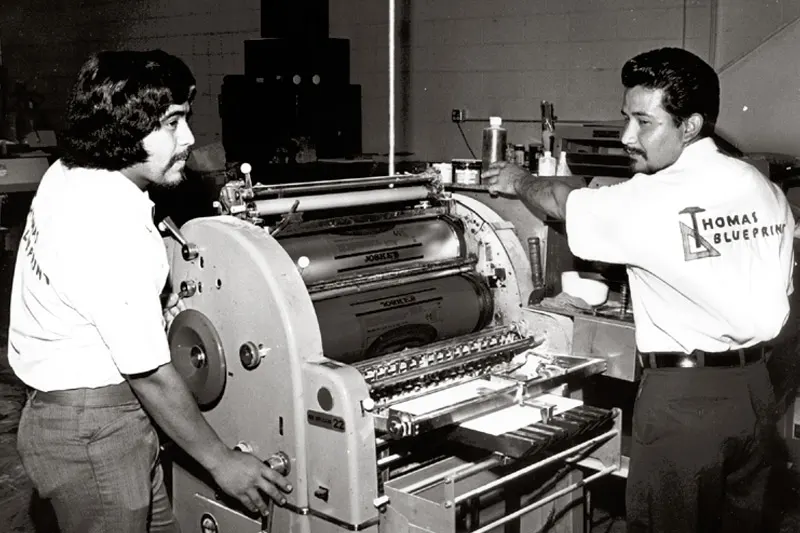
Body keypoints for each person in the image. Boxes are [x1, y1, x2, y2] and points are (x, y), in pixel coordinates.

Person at [483, 47, 794, 532]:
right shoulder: (761, 187)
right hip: (757, 391)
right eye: (626, 118)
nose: (629, 136)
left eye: (644, 122)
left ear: (690, 125)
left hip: (684, 403)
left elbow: (562, 200)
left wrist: (517, 178)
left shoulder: (652, 199)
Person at [8, 50, 292, 533]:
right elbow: (150, 374)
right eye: (172, 123)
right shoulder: (109, 222)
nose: (189, 139)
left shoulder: (70, 173)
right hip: (94, 434)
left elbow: (86, 287)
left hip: (87, 418)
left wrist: (152, 303)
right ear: (124, 126)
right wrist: (221, 461)